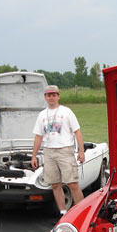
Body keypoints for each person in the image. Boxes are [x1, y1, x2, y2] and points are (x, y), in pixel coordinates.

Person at [31, 85, 85, 216]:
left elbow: (77, 132)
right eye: (49, 95)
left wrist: (81, 151)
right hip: (49, 152)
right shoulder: (42, 115)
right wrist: (33, 156)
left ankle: (81, 214)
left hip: (65, 151)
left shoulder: (67, 112)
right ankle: (63, 213)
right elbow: (38, 136)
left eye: (54, 95)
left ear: (58, 96)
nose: (51, 97)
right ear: (45, 97)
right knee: (55, 185)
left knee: (72, 184)